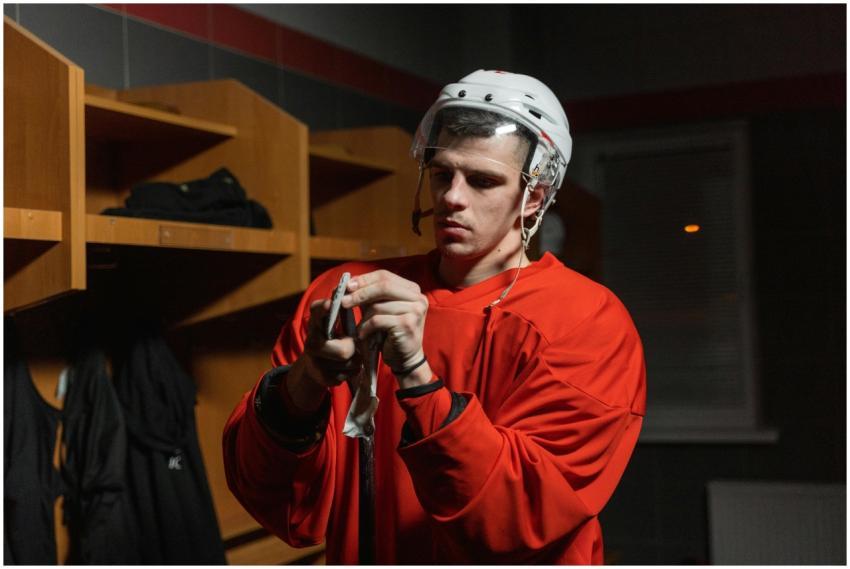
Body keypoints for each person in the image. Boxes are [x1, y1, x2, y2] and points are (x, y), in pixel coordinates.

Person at [223, 70, 646, 564]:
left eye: (483, 180)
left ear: (534, 196)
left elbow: (520, 518)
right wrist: (305, 383)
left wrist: (417, 378)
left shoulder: (586, 322)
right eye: (444, 173)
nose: (451, 197)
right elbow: (275, 498)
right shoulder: (352, 293)